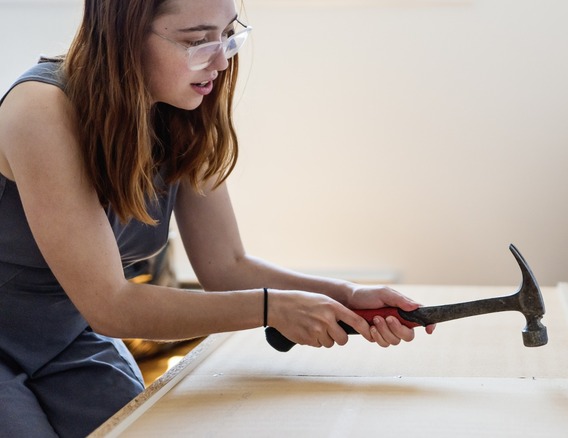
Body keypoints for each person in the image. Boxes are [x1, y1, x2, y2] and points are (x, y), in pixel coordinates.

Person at [0, 0, 433, 436]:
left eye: (228, 34)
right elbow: (110, 305)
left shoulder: (181, 110)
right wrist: (272, 308)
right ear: (121, 35)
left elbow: (226, 266)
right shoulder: (40, 110)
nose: (223, 60)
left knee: (144, 427)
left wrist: (346, 294)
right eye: (198, 41)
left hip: (67, 339)